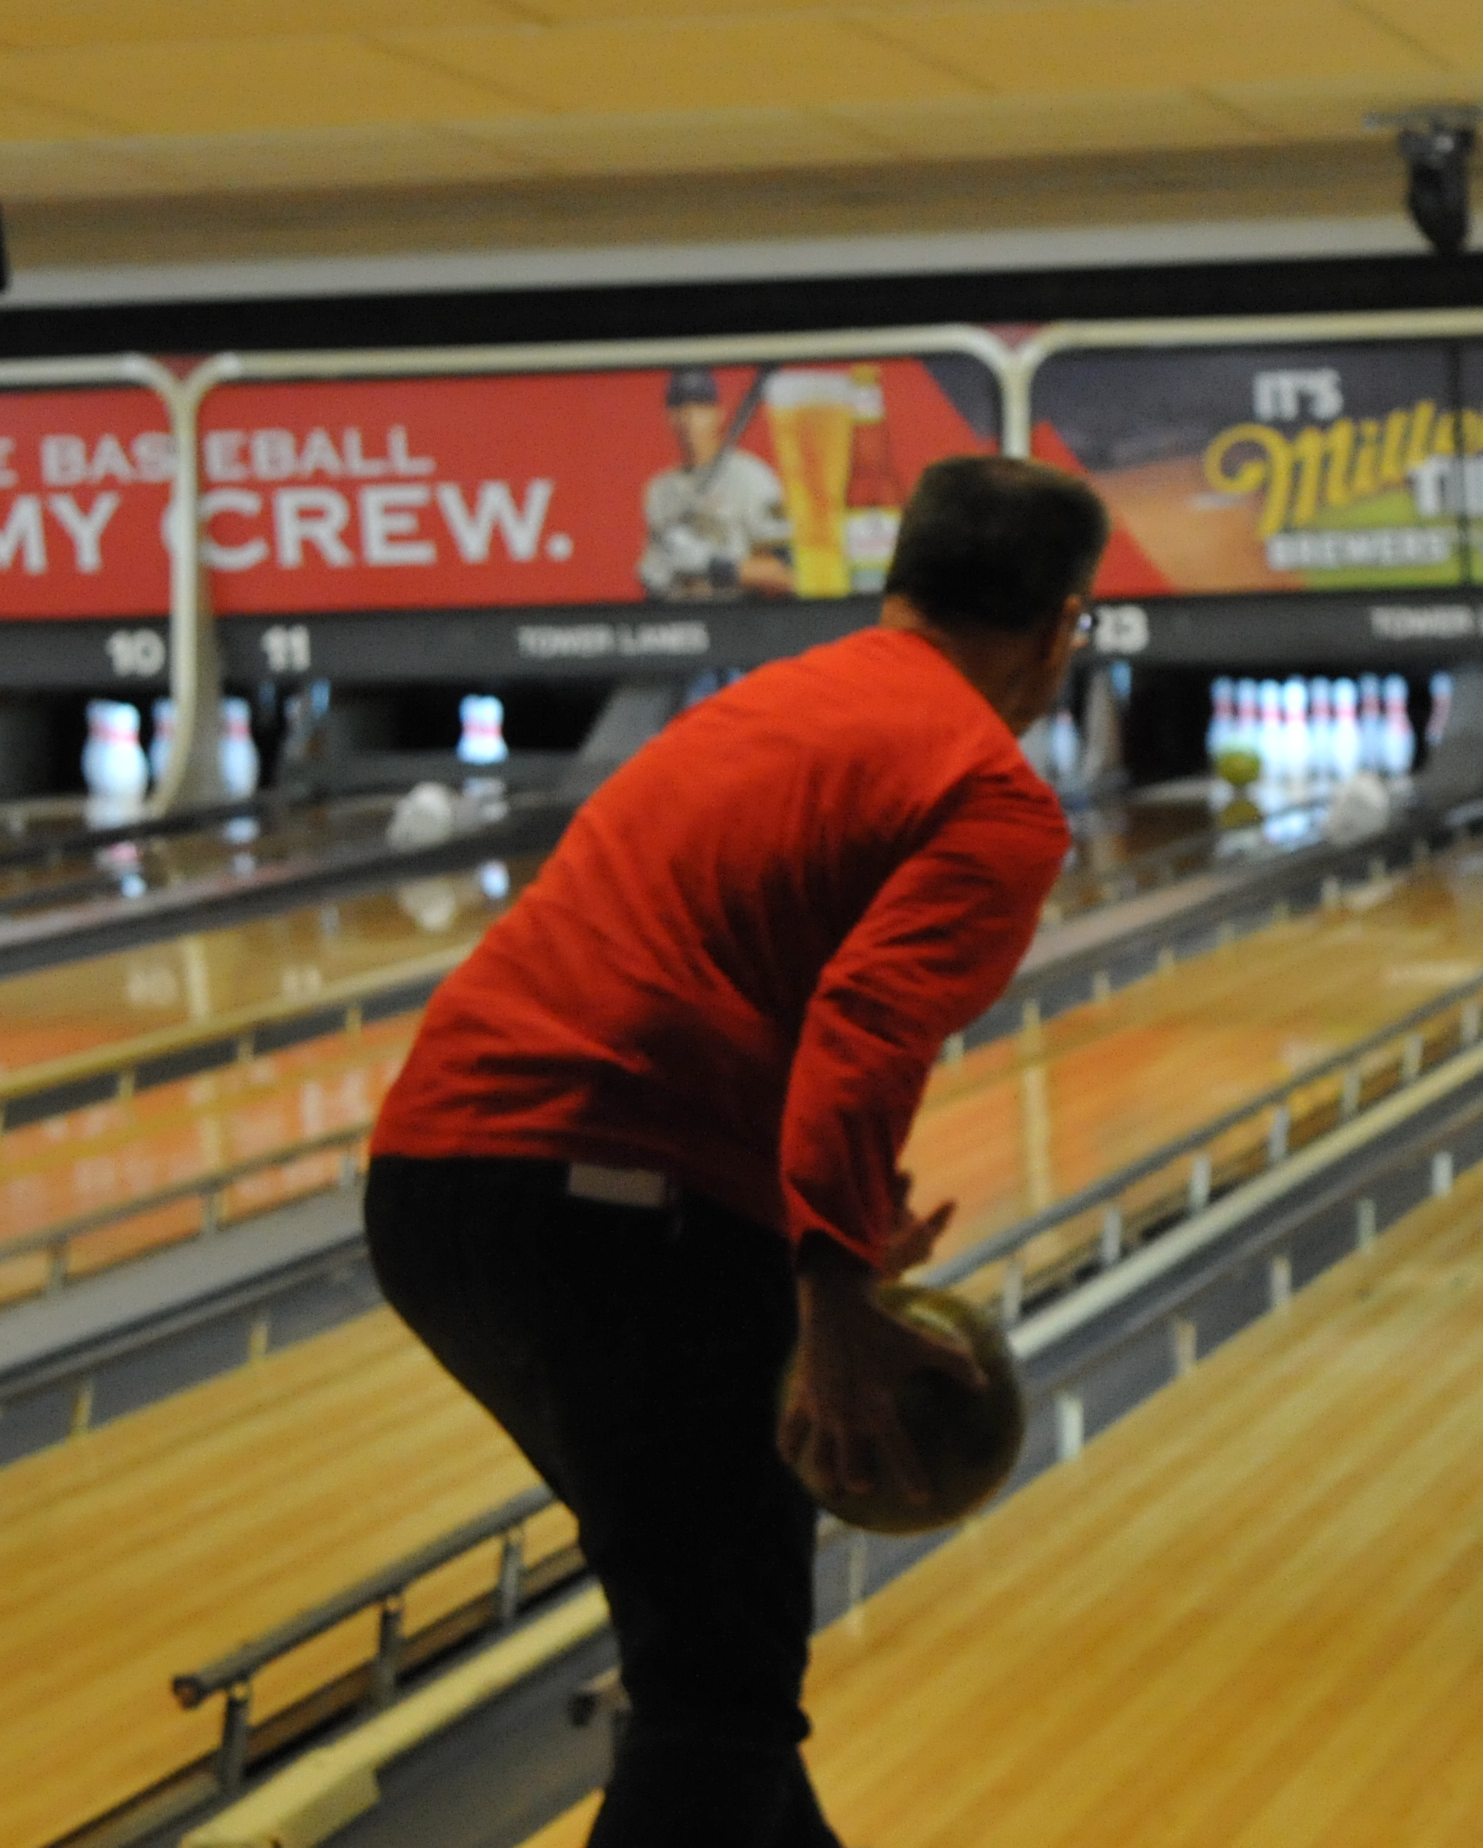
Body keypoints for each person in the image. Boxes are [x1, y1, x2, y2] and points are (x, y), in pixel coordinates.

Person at [364, 456, 1107, 1848]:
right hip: (614, 1209)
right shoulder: (990, 793)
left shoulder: (769, 703)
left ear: (900, 585)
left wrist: (819, 1216)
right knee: (720, 1692)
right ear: (1068, 629)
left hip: (434, 1190)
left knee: (716, 1648)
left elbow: (721, 967)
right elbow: (863, 1032)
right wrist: (830, 1293)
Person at [638, 367, 796, 602]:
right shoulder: (660, 491)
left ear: (718, 413)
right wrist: (654, 576)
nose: (689, 419)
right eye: (680, 408)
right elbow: (655, 577)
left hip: (737, 619)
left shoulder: (751, 477)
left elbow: (789, 573)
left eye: (700, 408)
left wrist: (713, 566)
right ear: (669, 417)